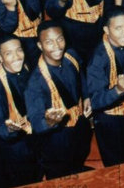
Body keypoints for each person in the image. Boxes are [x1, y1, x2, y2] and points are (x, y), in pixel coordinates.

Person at [25, 21, 92, 179]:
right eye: (49, 42)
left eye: (60, 39)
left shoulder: (71, 56)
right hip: (56, 136)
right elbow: (35, 122)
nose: (57, 46)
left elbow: (80, 74)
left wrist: (86, 95)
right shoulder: (35, 82)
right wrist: (49, 122)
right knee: (59, 173)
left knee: (80, 155)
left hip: (80, 121)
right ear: (40, 46)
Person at [87, 6, 124, 166]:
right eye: (118, 28)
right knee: (113, 160)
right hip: (109, 117)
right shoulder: (98, 59)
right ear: (106, 29)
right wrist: (118, 90)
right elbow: (95, 101)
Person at [0, 35, 42, 187]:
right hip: (15, 148)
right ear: (0, 57)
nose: (17, 57)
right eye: (9, 53)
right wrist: (9, 128)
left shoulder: (26, 67)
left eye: (19, 50)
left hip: (35, 137)